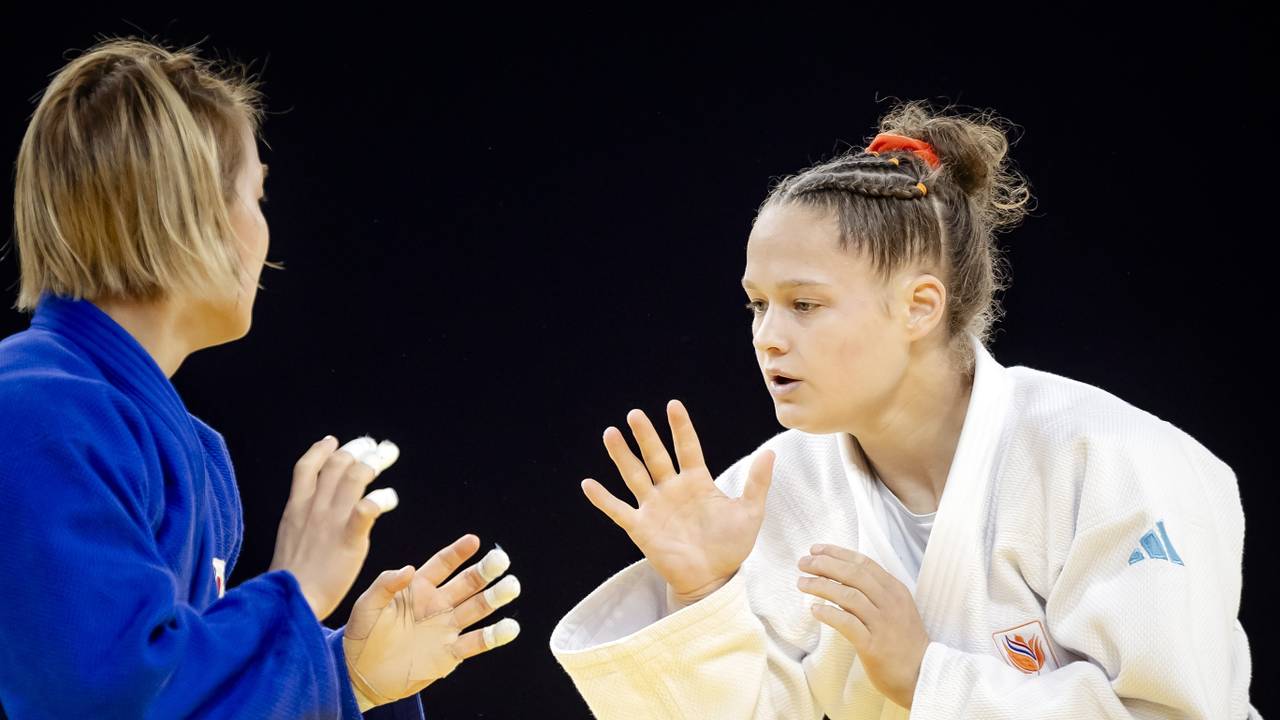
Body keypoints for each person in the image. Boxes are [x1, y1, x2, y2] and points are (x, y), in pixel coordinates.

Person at [549, 102, 1259, 718]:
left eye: (804, 304)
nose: (767, 336)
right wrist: (702, 595)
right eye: (756, 305)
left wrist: (928, 675)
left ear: (920, 306)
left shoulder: (1114, 459)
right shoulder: (773, 494)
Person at [0, 37, 520, 718]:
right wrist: (295, 590)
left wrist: (345, 677)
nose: (264, 231)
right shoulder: (30, 413)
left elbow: (176, 701)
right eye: (257, 194)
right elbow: (102, 704)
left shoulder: (185, 445)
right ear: (192, 211)